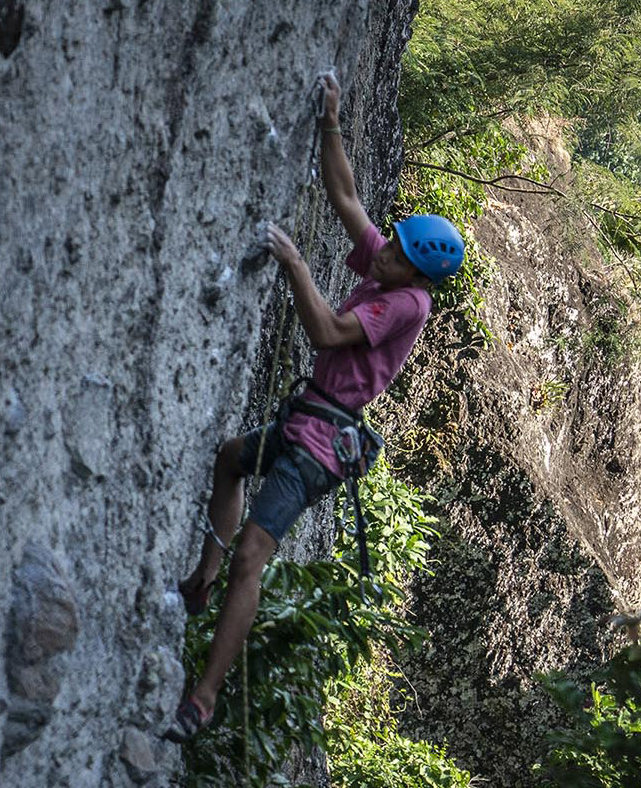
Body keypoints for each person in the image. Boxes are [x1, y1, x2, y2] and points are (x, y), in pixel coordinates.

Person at [166, 72, 465, 742]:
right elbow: (346, 196)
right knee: (229, 460)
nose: (382, 251)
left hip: (318, 447)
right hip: (306, 419)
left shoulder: (402, 302)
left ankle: (204, 699)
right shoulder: (389, 266)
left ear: (417, 275)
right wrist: (330, 121)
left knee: (255, 553)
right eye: (391, 244)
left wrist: (296, 265)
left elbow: (326, 332)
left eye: (397, 253)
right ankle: (199, 584)